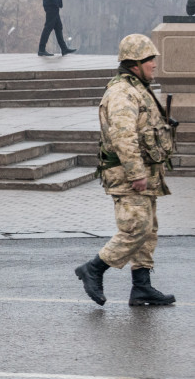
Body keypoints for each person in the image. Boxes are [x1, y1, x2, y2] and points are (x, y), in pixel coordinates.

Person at [75, 34, 175, 307]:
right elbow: (123, 136)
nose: (155, 64)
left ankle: (142, 287)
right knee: (135, 228)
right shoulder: (122, 93)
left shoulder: (138, 87)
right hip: (128, 175)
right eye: (150, 59)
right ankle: (93, 269)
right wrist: (136, 173)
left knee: (148, 229)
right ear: (135, 63)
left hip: (145, 174)